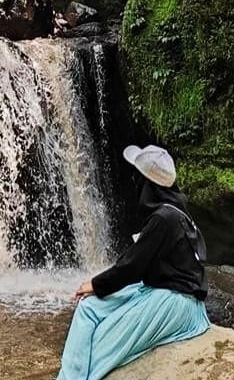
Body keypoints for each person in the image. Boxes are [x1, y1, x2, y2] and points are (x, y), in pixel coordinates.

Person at [55, 144, 211, 380]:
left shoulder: (164, 218)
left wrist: (95, 284)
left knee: (103, 344)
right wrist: (98, 287)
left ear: (147, 184)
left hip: (178, 304)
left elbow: (132, 267)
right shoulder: (175, 212)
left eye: (138, 178)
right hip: (158, 291)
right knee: (88, 308)